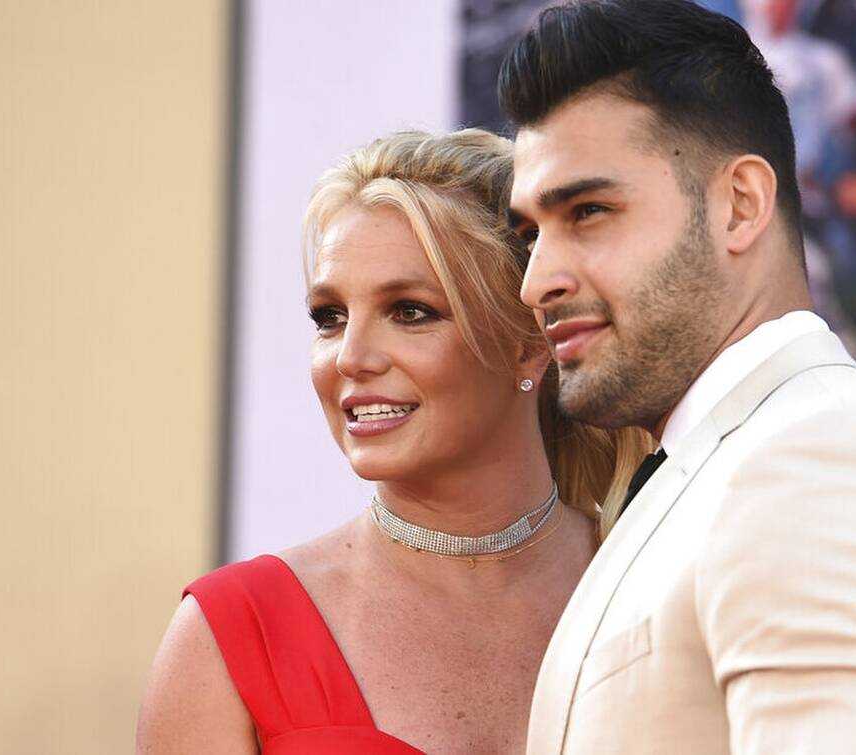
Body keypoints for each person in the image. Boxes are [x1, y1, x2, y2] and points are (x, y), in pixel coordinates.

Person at [499, 1, 856, 753]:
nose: (536, 282)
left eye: (588, 211)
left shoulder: (832, 462)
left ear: (740, 205)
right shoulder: (748, 461)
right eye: (531, 233)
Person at [136, 129, 650, 754]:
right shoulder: (230, 634)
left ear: (529, 342)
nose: (350, 358)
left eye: (409, 311)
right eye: (330, 318)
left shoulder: (656, 583)